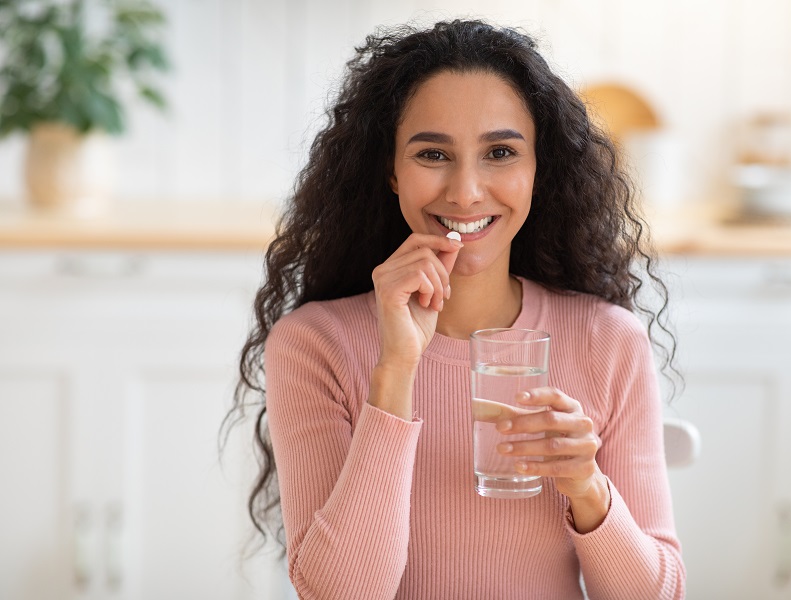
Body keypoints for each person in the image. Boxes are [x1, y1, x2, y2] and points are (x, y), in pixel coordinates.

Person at [226, 19, 685, 600]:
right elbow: (340, 594)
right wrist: (395, 370)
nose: (466, 191)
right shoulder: (313, 344)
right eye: (433, 153)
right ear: (392, 171)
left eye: (500, 152)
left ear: (539, 169)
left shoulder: (608, 339)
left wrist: (589, 489)